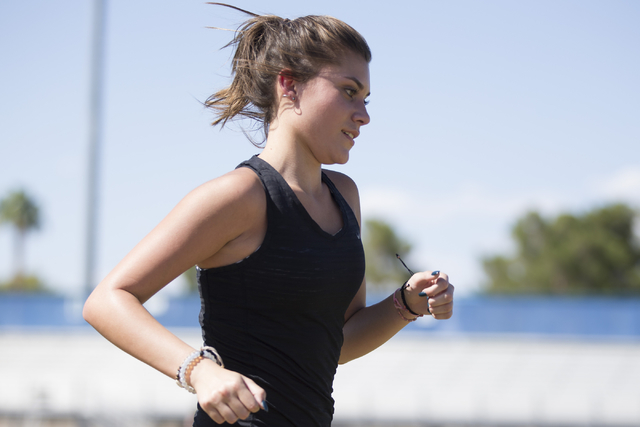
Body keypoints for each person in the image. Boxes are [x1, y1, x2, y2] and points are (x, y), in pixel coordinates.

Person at [83, 4, 454, 426]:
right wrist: (199, 371)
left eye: (366, 99)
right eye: (349, 91)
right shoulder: (239, 196)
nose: (364, 116)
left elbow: (339, 341)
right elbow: (107, 301)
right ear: (289, 86)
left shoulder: (345, 196)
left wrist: (405, 304)